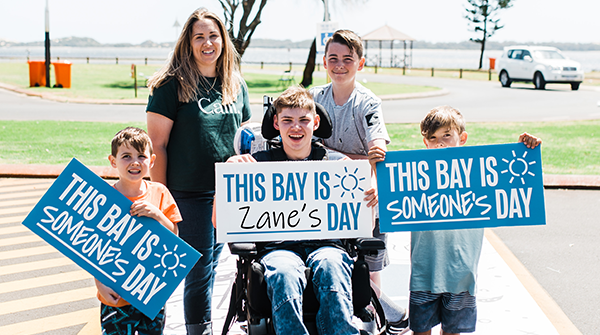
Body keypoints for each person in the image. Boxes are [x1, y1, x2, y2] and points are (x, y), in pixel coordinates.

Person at [368, 105, 542, 335]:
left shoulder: (477, 175)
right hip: (424, 272)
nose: (440, 143)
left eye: (447, 136)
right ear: (425, 142)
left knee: (453, 332)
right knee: (420, 331)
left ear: (462, 138)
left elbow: (512, 179)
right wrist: (377, 166)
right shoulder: (415, 175)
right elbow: (393, 193)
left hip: (462, 274)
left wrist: (526, 149)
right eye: (433, 138)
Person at [225, 86, 378, 335]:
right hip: (278, 247)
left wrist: (369, 191)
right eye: (287, 120)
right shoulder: (255, 166)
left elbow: (365, 224)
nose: (296, 127)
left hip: (327, 245)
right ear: (276, 123)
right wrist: (229, 177)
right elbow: (220, 221)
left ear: (316, 122)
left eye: (303, 120)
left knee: (332, 267)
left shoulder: (339, 166)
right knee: (284, 273)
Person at [145, 8, 252, 335]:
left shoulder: (236, 84)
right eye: (199, 37)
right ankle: (198, 330)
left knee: (211, 268)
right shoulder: (170, 86)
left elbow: (243, 141)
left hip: (228, 194)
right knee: (197, 269)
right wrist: (161, 201)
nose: (208, 43)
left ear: (223, 40)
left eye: (213, 35)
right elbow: (157, 146)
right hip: (187, 194)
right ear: (188, 43)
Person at [309, 29, 407, 333]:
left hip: (365, 196)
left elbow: (379, 149)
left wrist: (365, 169)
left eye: (347, 59)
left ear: (360, 63)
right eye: (333, 59)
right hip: (325, 199)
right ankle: (387, 313)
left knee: (370, 272)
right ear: (324, 62)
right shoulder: (314, 98)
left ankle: (384, 316)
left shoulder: (368, 103)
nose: (340, 65)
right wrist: (349, 159)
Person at [96, 127, 182, 335]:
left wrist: (158, 215)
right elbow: (93, 246)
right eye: (126, 156)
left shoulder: (160, 192)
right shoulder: (104, 197)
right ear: (113, 161)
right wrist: (100, 283)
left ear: (151, 161)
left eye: (141, 156)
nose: (135, 162)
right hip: (115, 295)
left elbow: (175, 237)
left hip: (151, 293)